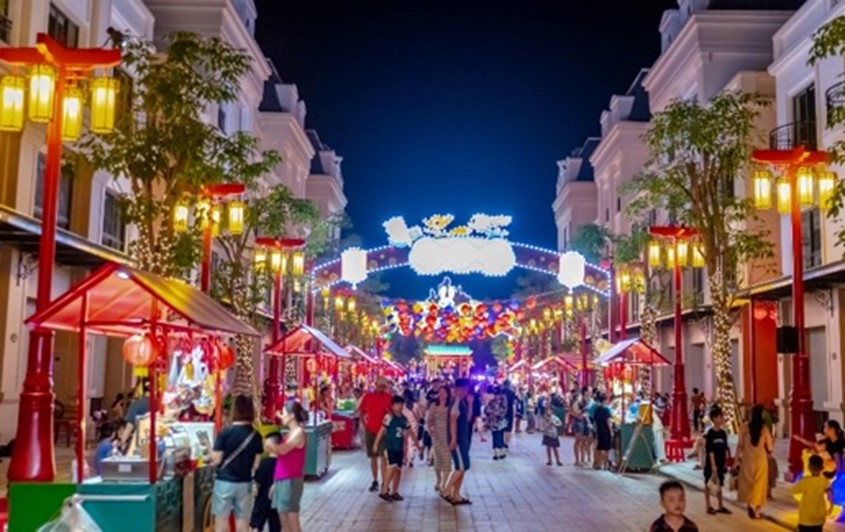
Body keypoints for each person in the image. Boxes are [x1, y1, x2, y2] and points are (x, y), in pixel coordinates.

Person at [211, 395, 264, 532]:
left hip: (224, 482)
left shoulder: (225, 432)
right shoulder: (256, 435)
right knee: (242, 520)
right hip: (245, 483)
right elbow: (256, 465)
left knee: (221, 520)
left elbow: (217, 459)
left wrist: (208, 451)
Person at [374, 395, 421, 502]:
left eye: (401, 404)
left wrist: (418, 445)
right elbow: (382, 430)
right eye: (397, 404)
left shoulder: (404, 419)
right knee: (391, 467)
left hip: (399, 448)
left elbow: (411, 433)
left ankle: (394, 491)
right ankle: (384, 490)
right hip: (390, 446)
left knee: (398, 470)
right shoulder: (389, 417)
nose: (399, 406)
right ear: (392, 406)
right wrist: (376, 444)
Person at [271, 401, 308, 532]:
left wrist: (269, 444)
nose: (282, 416)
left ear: (292, 415)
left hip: (291, 480)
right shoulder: (289, 433)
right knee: (284, 520)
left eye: (284, 413)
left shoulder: (298, 432)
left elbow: (282, 450)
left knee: (292, 519)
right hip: (282, 479)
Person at [356, 377, 393, 492]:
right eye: (380, 385)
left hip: (383, 432)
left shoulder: (388, 398)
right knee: (373, 457)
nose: (382, 388)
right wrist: (364, 424)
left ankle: (384, 482)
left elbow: (392, 414)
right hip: (370, 430)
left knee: (383, 458)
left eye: (384, 386)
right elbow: (361, 411)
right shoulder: (368, 397)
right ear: (375, 385)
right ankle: (375, 480)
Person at [737, 404, 773, 519]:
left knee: (748, 482)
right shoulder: (764, 429)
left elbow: (740, 445)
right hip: (760, 459)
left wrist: (736, 460)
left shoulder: (744, 427)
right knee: (760, 484)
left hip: (748, 458)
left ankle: (749, 504)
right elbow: (770, 447)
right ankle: (757, 510)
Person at [443, 378, 473, 505]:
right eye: (465, 388)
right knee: (461, 467)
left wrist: (470, 404)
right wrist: (454, 439)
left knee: (463, 467)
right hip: (458, 440)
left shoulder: (462, 402)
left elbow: (467, 419)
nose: (467, 390)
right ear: (460, 389)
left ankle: (456, 494)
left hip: (463, 439)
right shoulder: (456, 402)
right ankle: (446, 490)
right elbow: (453, 421)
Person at [791, 454, 832, 532]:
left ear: (809, 467)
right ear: (822, 467)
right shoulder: (824, 481)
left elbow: (794, 490)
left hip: (806, 517)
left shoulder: (805, 481)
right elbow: (830, 494)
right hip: (819, 517)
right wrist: (831, 507)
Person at [250, 432, 281, 532]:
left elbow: (258, 480)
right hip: (277, 501)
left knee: (256, 524)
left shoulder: (264, 463)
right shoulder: (283, 463)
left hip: (262, 500)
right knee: (275, 525)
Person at [703, 406, 731, 515]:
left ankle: (720, 505)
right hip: (711, 463)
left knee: (719, 484)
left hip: (721, 462)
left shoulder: (723, 433)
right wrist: (713, 464)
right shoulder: (710, 433)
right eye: (720, 417)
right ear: (714, 419)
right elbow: (710, 450)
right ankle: (708, 505)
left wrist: (725, 463)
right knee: (709, 484)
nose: (722, 419)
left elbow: (725, 448)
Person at [427, 385, 453, 493]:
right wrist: (430, 429)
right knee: (437, 461)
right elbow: (429, 420)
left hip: (448, 436)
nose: (442, 394)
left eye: (444, 392)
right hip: (437, 437)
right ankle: (438, 479)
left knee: (447, 461)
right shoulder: (434, 406)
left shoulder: (451, 407)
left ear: (448, 394)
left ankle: (444, 483)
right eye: (440, 392)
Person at [484, 385, 508, 460]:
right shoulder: (504, 399)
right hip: (500, 421)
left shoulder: (493, 399)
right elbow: (505, 409)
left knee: (495, 436)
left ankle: (496, 453)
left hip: (494, 421)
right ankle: (501, 452)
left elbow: (487, 410)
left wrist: (491, 414)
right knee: (500, 436)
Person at [591, 393, 613, 470]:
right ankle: (605, 465)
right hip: (606, 431)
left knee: (599, 448)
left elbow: (594, 421)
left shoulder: (596, 410)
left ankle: (598, 464)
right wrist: (611, 431)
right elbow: (608, 422)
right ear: (604, 401)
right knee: (606, 449)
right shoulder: (606, 410)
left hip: (599, 431)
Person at [502, 380, 516, 448]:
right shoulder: (512, 393)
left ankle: (501, 441)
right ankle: (506, 442)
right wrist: (514, 414)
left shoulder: (500, 391)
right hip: (509, 411)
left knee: (501, 427)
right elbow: (513, 404)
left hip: (501, 412)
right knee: (509, 428)